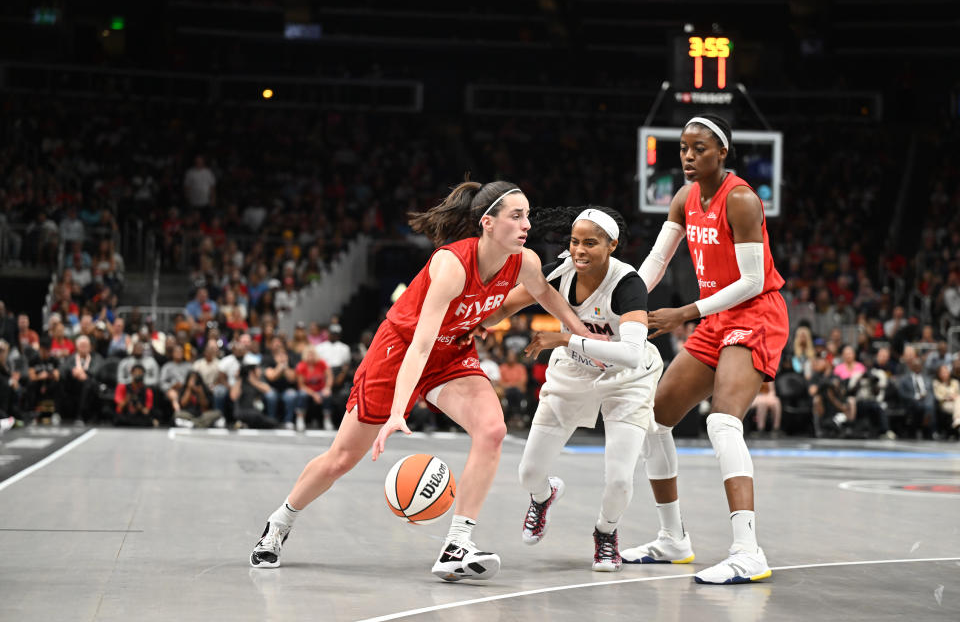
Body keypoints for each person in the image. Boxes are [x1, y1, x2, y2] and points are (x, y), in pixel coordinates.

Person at [249, 179, 594, 582]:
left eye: (528, 216)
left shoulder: (526, 262)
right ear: (487, 223)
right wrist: (398, 411)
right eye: (517, 216)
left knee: (492, 430)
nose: (527, 225)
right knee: (341, 459)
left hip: (451, 354)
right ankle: (279, 523)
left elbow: (547, 296)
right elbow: (419, 344)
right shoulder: (450, 265)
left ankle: (457, 544)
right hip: (398, 353)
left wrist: (582, 334)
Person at [622, 114, 788, 584]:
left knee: (721, 420)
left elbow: (752, 281)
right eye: (683, 148)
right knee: (654, 418)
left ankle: (748, 550)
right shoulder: (683, 197)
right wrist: (621, 304)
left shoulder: (740, 199)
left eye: (699, 148)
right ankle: (673, 539)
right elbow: (655, 261)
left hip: (755, 313)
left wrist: (682, 312)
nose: (689, 156)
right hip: (716, 317)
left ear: (723, 152)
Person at [481, 205, 661, 572]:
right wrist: (465, 324)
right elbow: (503, 308)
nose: (579, 250)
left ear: (612, 245)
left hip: (627, 381)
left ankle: (605, 533)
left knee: (620, 480)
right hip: (573, 373)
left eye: (591, 243)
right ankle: (543, 497)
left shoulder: (628, 285)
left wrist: (565, 338)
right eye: (575, 241)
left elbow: (629, 354)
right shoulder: (559, 273)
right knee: (528, 473)